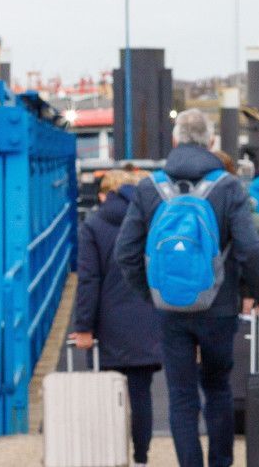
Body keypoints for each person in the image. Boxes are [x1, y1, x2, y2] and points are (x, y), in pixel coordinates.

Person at [117, 109, 259, 467]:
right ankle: (221, 462)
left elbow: (124, 252)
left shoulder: (150, 187)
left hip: (171, 308)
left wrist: (152, 293)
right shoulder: (228, 186)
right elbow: (250, 248)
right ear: (211, 142)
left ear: (175, 140)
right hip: (219, 306)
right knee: (218, 388)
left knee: (181, 396)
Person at [70, 171, 161, 467]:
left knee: (109, 396)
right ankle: (141, 458)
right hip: (147, 317)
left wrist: (83, 326)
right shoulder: (150, 220)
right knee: (141, 394)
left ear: (103, 195)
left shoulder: (94, 225)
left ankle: (112, 455)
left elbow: (89, 280)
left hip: (108, 323)